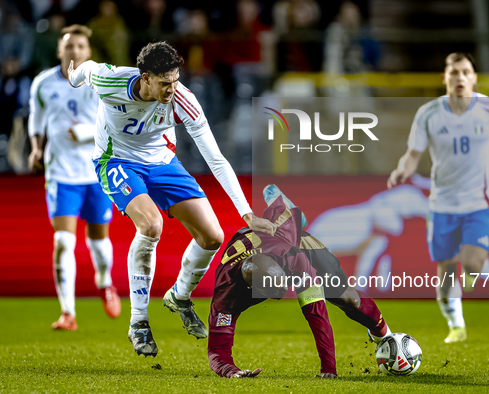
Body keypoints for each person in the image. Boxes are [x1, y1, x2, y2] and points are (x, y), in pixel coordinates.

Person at [67, 41, 275, 356]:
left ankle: (179, 296)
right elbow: (87, 69)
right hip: (117, 161)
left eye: (175, 80)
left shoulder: (183, 100)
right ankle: (138, 321)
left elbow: (216, 159)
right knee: (151, 226)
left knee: (212, 237)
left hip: (163, 163)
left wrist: (246, 213)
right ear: (145, 77)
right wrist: (73, 76)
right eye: (165, 83)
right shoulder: (111, 81)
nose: (171, 89)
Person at [387, 52, 489, 343]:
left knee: (472, 262)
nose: (460, 78)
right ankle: (456, 323)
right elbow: (413, 154)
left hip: (480, 203)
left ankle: (471, 275)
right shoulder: (428, 113)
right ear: (445, 78)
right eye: (454, 73)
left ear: (474, 78)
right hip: (441, 205)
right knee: (446, 268)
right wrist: (403, 170)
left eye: (465, 72)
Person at [207, 186, 391, 378]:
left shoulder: (294, 260)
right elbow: (217, 350)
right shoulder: (226, 294)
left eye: (284, 285)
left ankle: (385, 335)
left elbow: (316, 313)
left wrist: (329, 368)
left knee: (346, 298)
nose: (282, 293)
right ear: (253, 289)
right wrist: (230, 371)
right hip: (265, 244)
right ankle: (289, 214)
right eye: (274, 293)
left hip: (298, 245)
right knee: (281, 228)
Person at [28, 25, 120, 331]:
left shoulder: (100, 82)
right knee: (63, 241)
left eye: (80, 46)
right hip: (61, 174)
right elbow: (37, 121)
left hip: (96, 173)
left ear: (88, 51)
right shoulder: (43, 83)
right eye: (69, 46)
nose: (75, 51)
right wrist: (36, 150)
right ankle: (68, 312)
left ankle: (105, 282)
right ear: (59, 51)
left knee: (98, 241)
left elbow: (115, 123)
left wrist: (84, 133)